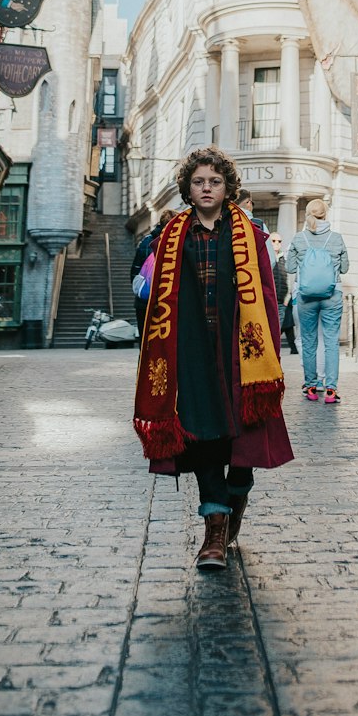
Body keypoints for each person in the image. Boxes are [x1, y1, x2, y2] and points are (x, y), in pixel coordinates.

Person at [133, 147, 293, 571]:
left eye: (215, 181)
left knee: (244, 440)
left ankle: (236, 496)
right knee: (204, 439)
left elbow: (270, 300)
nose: (207, 188)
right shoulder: (169, 238)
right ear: (188, 187)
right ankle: (214, 534)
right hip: (191, 350)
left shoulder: (251, 235)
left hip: (242, 349)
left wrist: (272, 354)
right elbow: (150, 299)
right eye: (199, 181)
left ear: (227, 188)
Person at [286, 199, 349, 405]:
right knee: (331, 342)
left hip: (306, 296)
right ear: (326, 213)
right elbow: (345, 268)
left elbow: (290, 268)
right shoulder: (336, 238)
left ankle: (311, 386)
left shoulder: (299, 238)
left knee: (309, 341)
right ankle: (331, 390)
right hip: (332, 295)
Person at [132, 208, 173, 336]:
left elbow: (135, 271)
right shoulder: (175, 242)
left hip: (144, 301)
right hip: (167, 302)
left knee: (145, 339)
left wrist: (141, 293)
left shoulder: (146, 241)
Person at [269, 233, 298, 355]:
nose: (276, 243)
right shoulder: (265, 256)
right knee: (270, 330)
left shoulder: (284, 259)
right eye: (274, 240)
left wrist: (287, 298)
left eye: (279, 241)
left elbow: (290, 278)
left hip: (282, 302)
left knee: (278, 329)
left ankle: (274, 356)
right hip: (269, 301)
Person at [237, 189, 277, 268]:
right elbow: (270, 259)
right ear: (248, 203)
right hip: (253, 276)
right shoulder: (258, 225)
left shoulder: (224, 223)